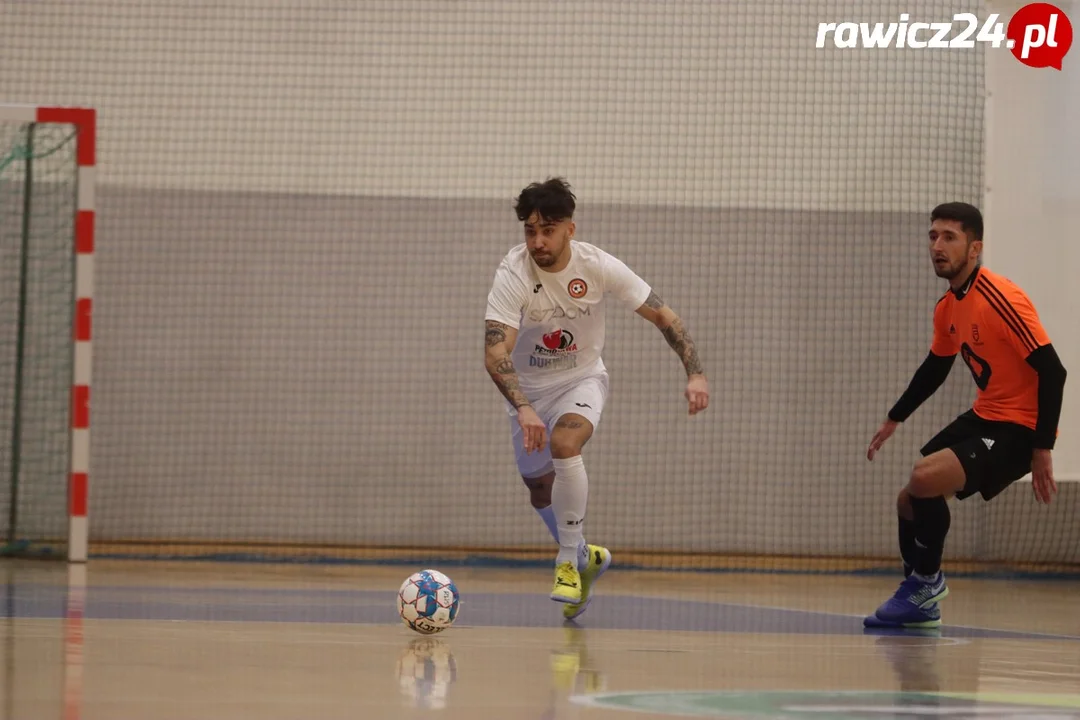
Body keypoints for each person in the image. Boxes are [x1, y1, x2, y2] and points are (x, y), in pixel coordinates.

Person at [483, 177, 710, 619]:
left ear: (570, 228)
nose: (537, 241)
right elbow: (495, 351)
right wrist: (524, 407)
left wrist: (696, 373)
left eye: (548, 229)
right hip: (528, 392)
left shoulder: (597, 266)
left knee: (565, 444)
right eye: (530, 230)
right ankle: (587, 557)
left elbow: (663, 315)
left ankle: (568, 560)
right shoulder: (513, 273)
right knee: (538, 490)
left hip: (581, 379)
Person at [864, 202, 1067, 628]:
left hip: (1018, 428)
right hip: (986, 416)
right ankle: (919, 600)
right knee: (908, 501)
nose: (937, 246)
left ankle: (927, 581)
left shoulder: (1001, 298)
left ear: (974, 248)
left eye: (949, 237)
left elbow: (1053, 370)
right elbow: (936, 366)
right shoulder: (948, 307)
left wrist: (1042, 448)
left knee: (923, 477)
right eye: (933, 236)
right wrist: (894, 417)